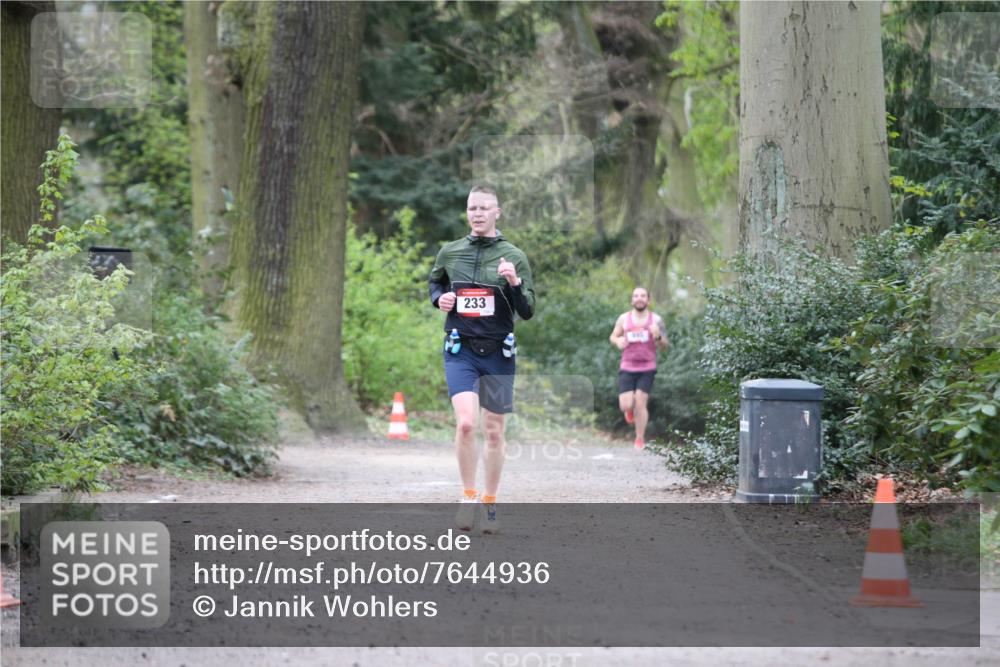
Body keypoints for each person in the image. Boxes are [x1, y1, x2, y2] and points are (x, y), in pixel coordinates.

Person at [428, 185, 535, 534]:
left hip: (499, 353)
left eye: (484, 208)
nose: (477, 214)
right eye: (472, 207)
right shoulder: (451, 251)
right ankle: (467, 496)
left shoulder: (514, 256)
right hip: (461, 350)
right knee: (466, 424)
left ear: (497, 213)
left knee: (493, 430)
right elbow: (434, 284)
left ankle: (490, 501)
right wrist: (440, 299)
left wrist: (514, 282)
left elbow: (528, 311)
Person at [609, 286, 669, 450]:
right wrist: (618, 341)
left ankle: (639, 439)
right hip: (628, 365)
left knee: (641, 402)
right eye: (636, 296)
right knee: (626, 405)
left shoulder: (656, 320)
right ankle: (629, 411)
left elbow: (665, 345)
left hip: (647, 366)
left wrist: (657, 336)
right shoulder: (623, 319)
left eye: (643, 296)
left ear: (648, 300)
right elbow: (613, 336)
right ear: (632, 300)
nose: (639, 298)